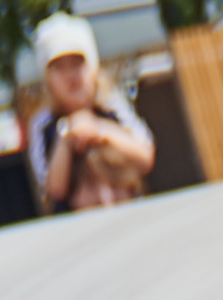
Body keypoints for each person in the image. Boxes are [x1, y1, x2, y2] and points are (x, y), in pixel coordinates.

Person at [21, 15, 153, 214]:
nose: (70, 76)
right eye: (59, 68)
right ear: (47, 79)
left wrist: (100, 131)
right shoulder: (43, 125)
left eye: (77, 64)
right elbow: (53, 189)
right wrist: (67, 138)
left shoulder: (112, 108)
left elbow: (145, 156)